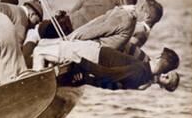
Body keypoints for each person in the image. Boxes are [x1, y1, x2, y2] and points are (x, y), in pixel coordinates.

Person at [33, 39, 180, 92]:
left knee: (40, 51)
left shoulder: (140, 72)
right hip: (94, 52)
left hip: (91, 55)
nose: (164, 76)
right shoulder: (144, 70)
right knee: (47, 47)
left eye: (167, 79)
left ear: (159, 57)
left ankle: (34, 89)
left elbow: (109, 75)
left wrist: (81, 62)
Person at [68, 4, 138, 50]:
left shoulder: (122, 16)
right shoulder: (130, 17)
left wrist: (69, 38)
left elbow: (94, 31)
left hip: (98, 50)